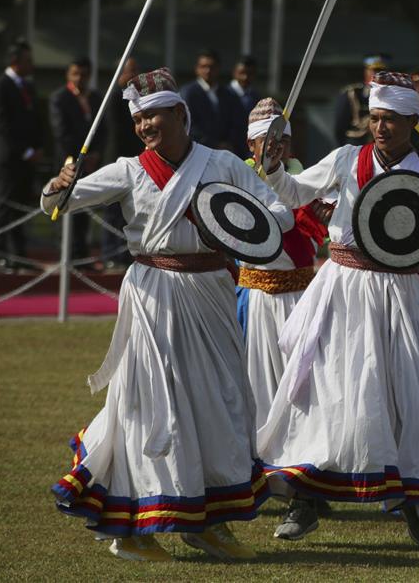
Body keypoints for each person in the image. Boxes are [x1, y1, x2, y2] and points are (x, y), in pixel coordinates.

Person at [43, 67, 294, 561]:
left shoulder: (222, 164)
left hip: (213, 295)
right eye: (138, 119)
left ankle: (208, 522)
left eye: (153, 114)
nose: (145, 126)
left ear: (180, 113)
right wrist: (60, 183)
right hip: (153, 295)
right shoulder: (128, 170)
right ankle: (134, 530)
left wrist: (231, 218)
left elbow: (277, 213)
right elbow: (58, 204)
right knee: (153, 408)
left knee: (219, 404)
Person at [258, 71, 419, 547]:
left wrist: (417, 232)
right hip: (340, 286)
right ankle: (305, 498)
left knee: (405, 391)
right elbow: (297, 193)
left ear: (410, 122)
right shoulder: (345, 158)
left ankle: (417, 502)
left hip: (398, 292)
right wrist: (276, 169)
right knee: (321, 387)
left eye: (390, 120)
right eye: (376, 118)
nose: (380, 127)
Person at [236, 97, 331, 429]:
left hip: (300, 301)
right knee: (255, 384)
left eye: (284, 140)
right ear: (251, 144)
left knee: (303, 388)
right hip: (254, 300)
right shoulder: (235, 180)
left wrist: (325, 219)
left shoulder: (306, 181)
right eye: (269, 140)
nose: (277, 147)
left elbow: (326, 232)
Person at [49, 56, 106, 260]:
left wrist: (96, 154)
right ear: (68, 74)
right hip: (68, 164)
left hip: (91, 165)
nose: (80, 78)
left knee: (84, 209)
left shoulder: (97, 98)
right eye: (75, 73)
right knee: (66, 208)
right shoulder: (60, 98)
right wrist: (79, 158)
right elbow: (61, 132)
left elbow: (103, 130)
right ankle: (66, 256)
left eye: (84, 74)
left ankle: (82, 256)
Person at [0, 39, 42, 270]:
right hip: (10, 159)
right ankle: (0, 255)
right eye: (27, 61)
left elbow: (34, 121)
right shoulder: (1, 86)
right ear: (15, 62)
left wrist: (37, 148)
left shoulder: (29, 87)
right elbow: (2, 124)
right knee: (5, 207)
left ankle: (20, 256)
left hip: (28, 160)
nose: (31, 65)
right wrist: (24, 151)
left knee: (22, 208)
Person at [100, 56, 141, 268]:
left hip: (134, 162)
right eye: (131, 71)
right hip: (118, 159)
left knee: (129, 211)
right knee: (113, 210)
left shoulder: (137, 98)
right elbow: (117, 133)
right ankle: (110, 254)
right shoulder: (114, 97)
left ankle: (124, 253)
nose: (135, 76)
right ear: (120, 74)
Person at [179, 49, 248, 158]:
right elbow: (188, 124)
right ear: (197, 69)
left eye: (212, 67)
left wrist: (228, 143)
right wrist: (214, 144)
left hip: (227, 153)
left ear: (218, 68)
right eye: (203, 66)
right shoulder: (188, 93)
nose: (208, 70)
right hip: (197, 153)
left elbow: (237, 122)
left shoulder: (228, 94)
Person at [333, 54, 389, 146]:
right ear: (366, 72)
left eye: (381, 71)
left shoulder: (392, 95)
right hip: (356, 145)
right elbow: (340, 127)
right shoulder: (352, 93)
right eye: (374, 70)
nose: (378, 75)